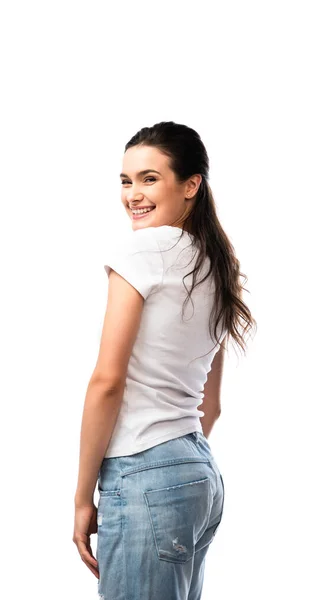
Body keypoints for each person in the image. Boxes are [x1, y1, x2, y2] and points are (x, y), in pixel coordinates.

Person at [73, 121, 257, 599]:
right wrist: (175, 470)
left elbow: (107, 383)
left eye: (150, 179)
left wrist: (81, 499)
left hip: (143, 472)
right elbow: (209, 406)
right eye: (126, 180)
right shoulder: (216, 263)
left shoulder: (142, 249)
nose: (133, 194)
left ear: (190, 184)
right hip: (197, 471)